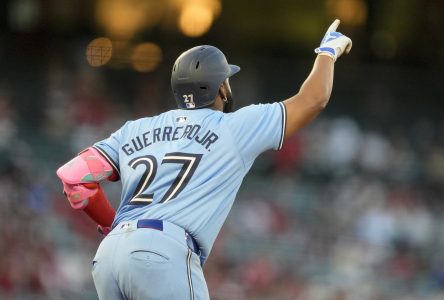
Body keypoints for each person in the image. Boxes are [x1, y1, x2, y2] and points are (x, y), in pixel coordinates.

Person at [56, 19, 352, 300]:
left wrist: (114, 226)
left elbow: (75, 179)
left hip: (108, 258)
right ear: (221, 87)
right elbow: (314, 99)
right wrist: (327, 53)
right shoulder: (235, 127)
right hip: (162, 253)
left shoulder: (134, 129)